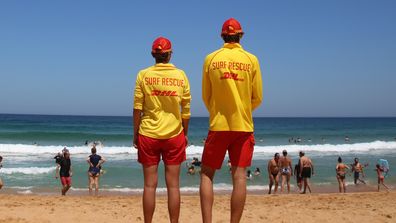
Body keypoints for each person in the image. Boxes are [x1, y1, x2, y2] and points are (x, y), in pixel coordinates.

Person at [200, 17, 262, 223]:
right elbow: (258, 97)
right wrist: (242, 109)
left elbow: (205, 96)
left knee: (207, 174)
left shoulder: (211, 58)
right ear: (241, 35)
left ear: (222, 36)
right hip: (243, 125)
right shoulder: (251, 59)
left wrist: (218, 110)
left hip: (218, 124)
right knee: (239, 176)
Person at [133, 36, 191, 223]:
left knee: (149, 186)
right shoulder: (181, 75)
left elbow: (137, 108)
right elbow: (186, 109)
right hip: (174, 135)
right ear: (170, 55)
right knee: (173, 186)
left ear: (153, 55)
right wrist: (185, 133)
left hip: (148, 134)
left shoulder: (143, 75)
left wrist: (136, 134)